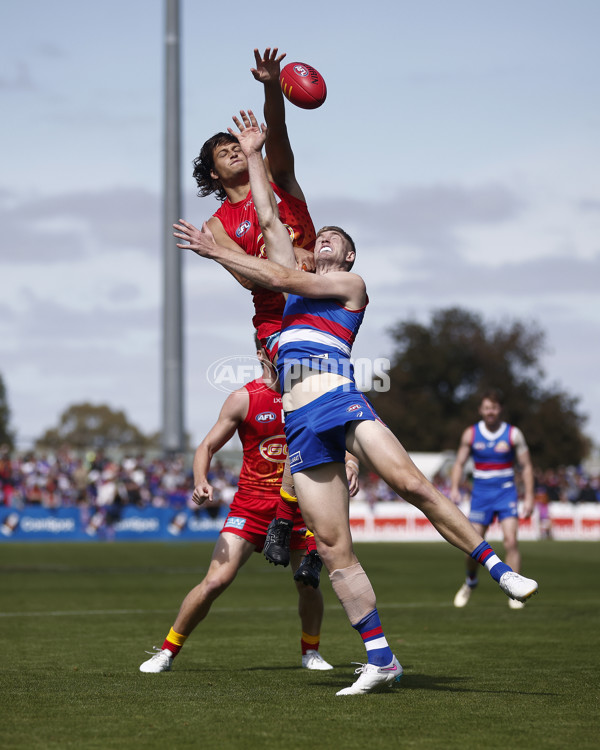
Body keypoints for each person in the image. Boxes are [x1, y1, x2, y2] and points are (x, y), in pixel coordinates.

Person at [173, 111, 539, 696]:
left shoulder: (348, 286)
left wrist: (214, 252)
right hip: (300, 422)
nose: (322, 241)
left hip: (339, 402)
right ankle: (381, 658)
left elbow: (280, 273)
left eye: (334, 242)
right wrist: (254, 152)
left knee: (414, 485)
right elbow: (268, 215)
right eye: (320, 238)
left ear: (347, 259)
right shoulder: (293, 276)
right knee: (334, 548)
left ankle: (500, 571)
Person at [194, 46, 358, 580]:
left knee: (326, 419)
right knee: (296, 418)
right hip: (275, 320)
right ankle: (298, 529)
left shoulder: (280, 182)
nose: (233, 151)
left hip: (319, 304)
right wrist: (281, 268)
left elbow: (279, 135)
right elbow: (245, 275)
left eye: (235, 144)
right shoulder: (218, 226)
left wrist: (271, 87)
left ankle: (302, 529)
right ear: (214, 173)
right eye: (223, 151)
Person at [139, 339, 333, 673]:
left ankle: (310, 652)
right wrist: (200, 479)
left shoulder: (311, 395)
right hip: (250, 509)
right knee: (216, 581)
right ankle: (167, 652)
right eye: (277, 348)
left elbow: (340, 437)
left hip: (299, 509)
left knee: (307, 582)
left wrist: (353, 465)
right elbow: (207, 445)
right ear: (261, 354)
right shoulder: (244, 398)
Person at [449, 389, 535, 610]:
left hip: (506, 493)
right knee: (473, 545)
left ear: (500, 410)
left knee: (511, 541)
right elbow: (458, 463)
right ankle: (470, 581)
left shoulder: (513, 434)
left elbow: (526, 467)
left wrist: (530, 497)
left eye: (494, 408)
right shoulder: (470, 434)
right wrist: (455, 487)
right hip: (481, 494)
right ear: (481, 410)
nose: (490, 412)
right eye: (487, 408)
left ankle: (515, 591)